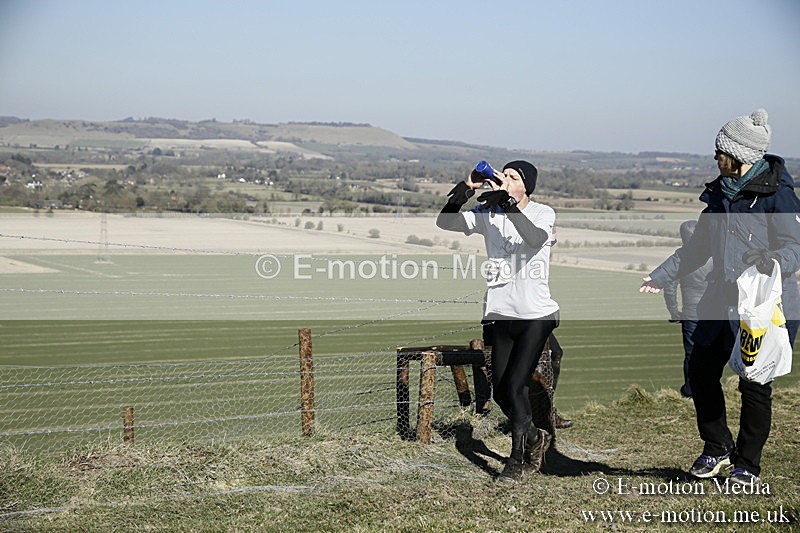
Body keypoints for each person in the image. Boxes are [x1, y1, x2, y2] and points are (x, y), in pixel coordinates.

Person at [640, 109, 800, 486]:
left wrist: (774, 259)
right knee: (700, 372)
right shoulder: (719, 195)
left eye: (720, 151)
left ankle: (747, 464)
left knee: (754, 384)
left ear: (740, 155)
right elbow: (697, 249)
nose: (715, 157)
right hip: (721, 298)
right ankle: (717, 446)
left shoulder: (777, 195)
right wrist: (661, 276)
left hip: (765, 304)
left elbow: (796, 247)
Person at [437, 160, 559, 481]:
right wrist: (467, 188)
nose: (504, 179)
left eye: (512, 177)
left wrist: (507, 205)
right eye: (502, 175)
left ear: (526, 187)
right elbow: (445, 222)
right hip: (500, 312)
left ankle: (517, 461)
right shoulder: (489, 212)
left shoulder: (542, 213)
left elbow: (534, 239)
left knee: (516, 386)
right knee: (502, 392)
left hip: (535, 314)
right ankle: (534, 436)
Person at [661, 220, 713, 398]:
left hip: (691, 313)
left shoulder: (681, 259)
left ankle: (691, 391)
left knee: (691, 354)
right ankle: (711, 387)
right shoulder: (714, 256)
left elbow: (669, 288)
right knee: (714, 352)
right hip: (714, 312)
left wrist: (674, 312)